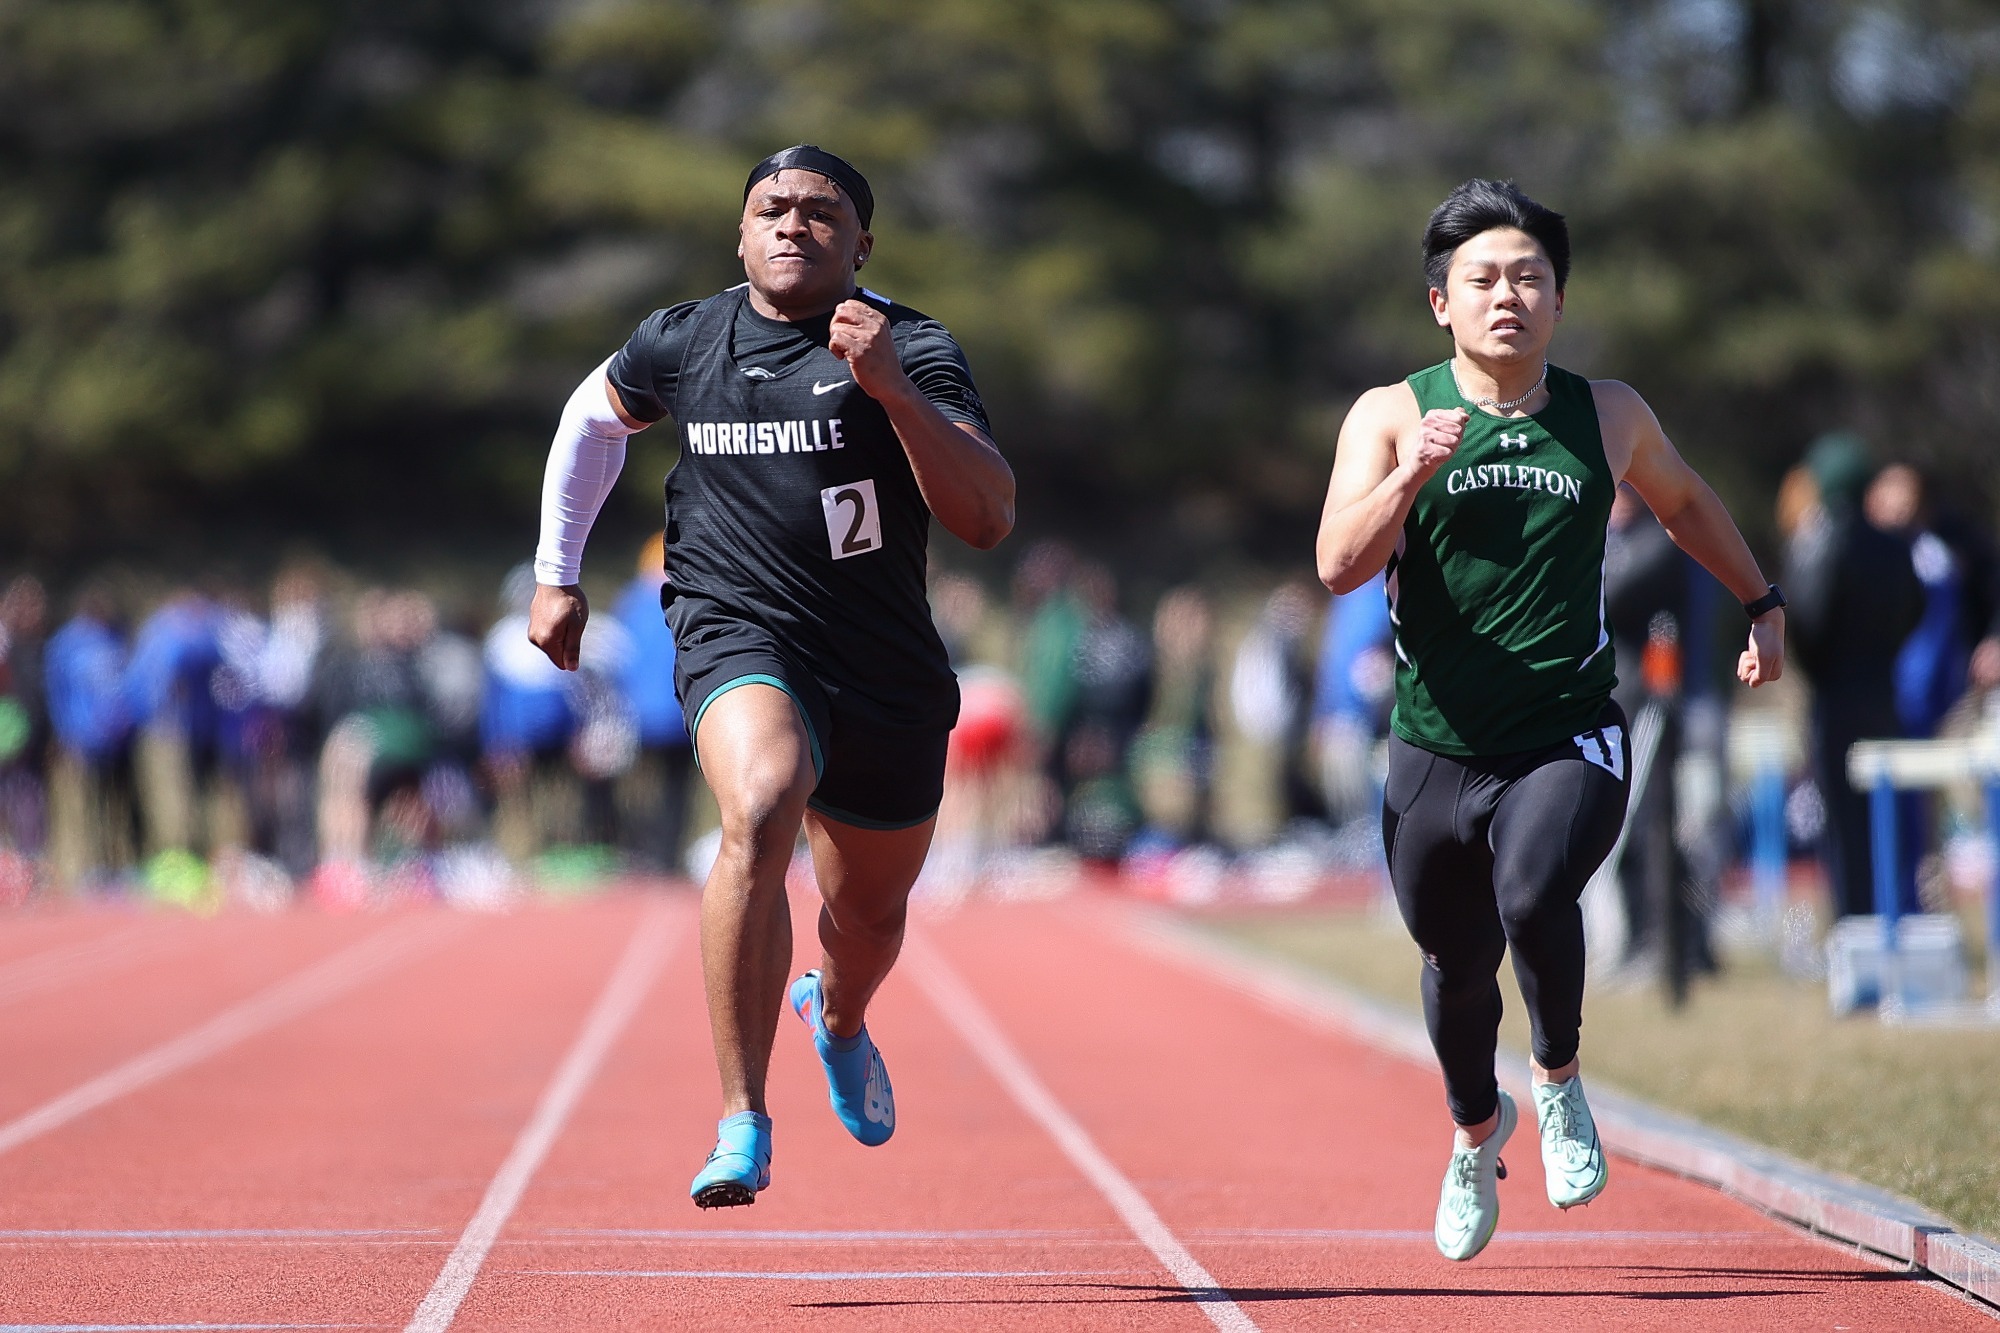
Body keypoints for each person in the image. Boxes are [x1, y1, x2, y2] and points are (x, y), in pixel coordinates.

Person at [525, 145, 1013, 1208]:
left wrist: (888, 389)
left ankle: (834, 1016)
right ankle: (742, 1117)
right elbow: (590, 419)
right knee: (759, 800)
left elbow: (985, 516)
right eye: (771, 209)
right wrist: (555, 573)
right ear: (740, 233)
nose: (793, 225)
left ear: (860, 243)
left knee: (869, 920)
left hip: (880, 662)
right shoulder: (684, 338)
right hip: (734, 628)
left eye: (820, 212)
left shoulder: (913, 345)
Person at [1313, 179, 1784, 1262]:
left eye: (1528, 276)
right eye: (1481, 278)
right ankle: (1476, 1129)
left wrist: (1760, 602)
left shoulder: (1605, 412)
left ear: (1558, 299)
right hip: (1434, 745)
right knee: (1450, 964)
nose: (1506, 295)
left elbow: (1686, 504)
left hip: (1566, 730)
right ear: (1440, 301)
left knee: (1533, 892)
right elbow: (1336, 564)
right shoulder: (1388, 413)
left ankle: (1560, 1078)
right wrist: (1410, 479)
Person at [1783, 433, 1922, 918]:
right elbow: (1915, 611)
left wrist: (1818, 672)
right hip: (1884, 694)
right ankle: (1895, 916)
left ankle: (1853, 926)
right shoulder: (1895, 546)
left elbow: (1806, 622)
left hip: (1835, 700)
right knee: (1887, 820)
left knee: (1842, 825)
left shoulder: (1821, 543)